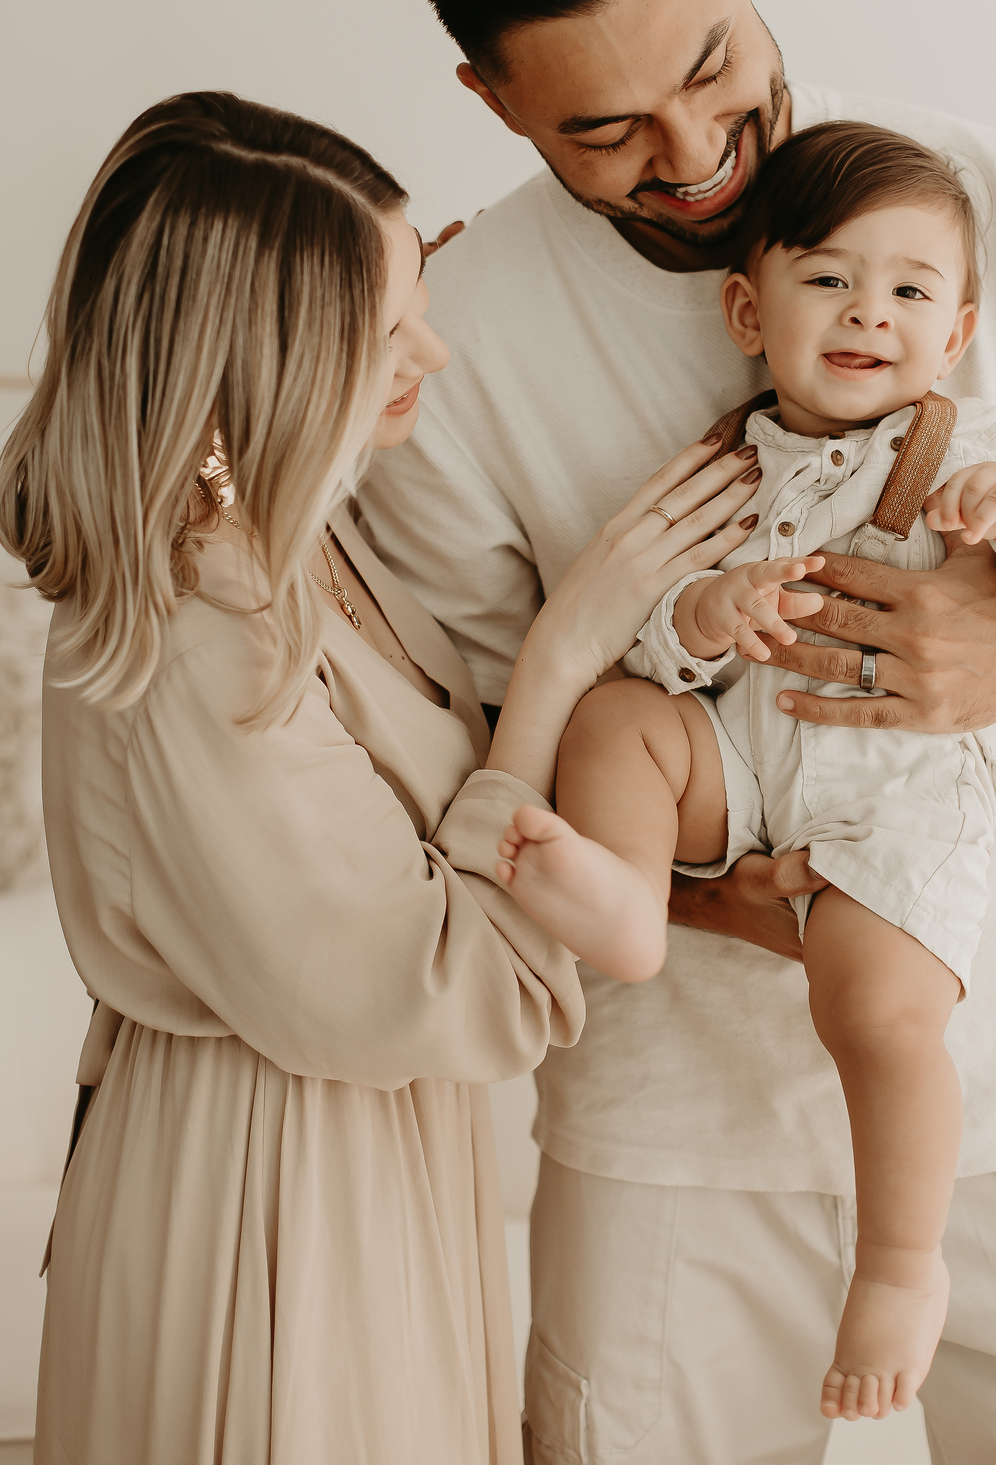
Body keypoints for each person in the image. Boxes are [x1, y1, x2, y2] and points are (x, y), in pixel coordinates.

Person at [359, 0, 996, 1462]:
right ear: (491, 100)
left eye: (710, 66)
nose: (691, 156)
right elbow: (479, 759)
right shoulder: (456, 338)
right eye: (605, 130)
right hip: (666, 1138)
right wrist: (714, 895)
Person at [0, 89, 763, 1465]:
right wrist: (565, 651)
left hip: (356, 1159)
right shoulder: (202, 631)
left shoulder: (290, 541)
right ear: (261, 359)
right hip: (271, 1198)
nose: (436, 350)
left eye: (422, 295)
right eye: (386, 329)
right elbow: (446, 984)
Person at [496, 118, 996, 1422]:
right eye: (828, 279)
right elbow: (651, 639)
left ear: (955, 333)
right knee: (615, 719)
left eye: (909, 292)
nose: (867, 314)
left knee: (880, 1020)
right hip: (743, 762)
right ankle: (625, 898)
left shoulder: (975, 446)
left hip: (896, 800)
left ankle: (902, 1267)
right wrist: (702, 617)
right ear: (749, 310)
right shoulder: (721, 466)